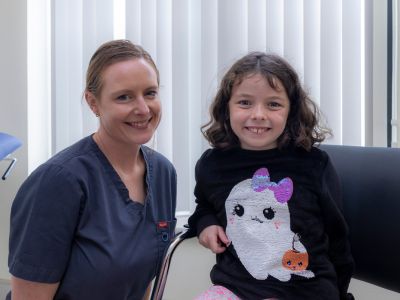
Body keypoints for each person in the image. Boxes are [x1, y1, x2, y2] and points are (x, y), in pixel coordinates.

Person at [7, 39, 177, 300]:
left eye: (150, 93)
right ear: (93, 102)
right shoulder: (58, 182)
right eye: (124, 96)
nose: (143, 109)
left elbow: (139, 279)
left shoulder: (163, 173)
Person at [187, 52, 354, 300]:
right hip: (235, 288)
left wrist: (339, 293)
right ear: (226, 108)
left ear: (291, 110)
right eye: (244, 102)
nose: (258, 114)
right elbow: (205, 205)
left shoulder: (313, 164)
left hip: (304, 291)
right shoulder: (213, 165)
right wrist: (206, 224)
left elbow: (337, 236)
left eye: (273, 104)